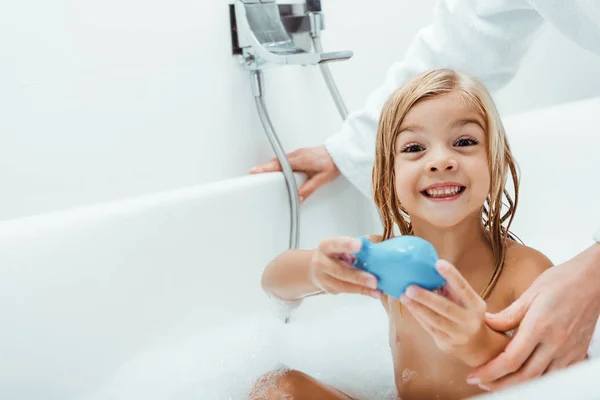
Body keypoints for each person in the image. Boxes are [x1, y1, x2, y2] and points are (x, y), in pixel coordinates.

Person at [249, 0, 600, 391]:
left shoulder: (525, 273)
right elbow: (273, 278)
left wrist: (476, 342)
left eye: (464, 141)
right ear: (387, 176)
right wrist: (317, 270)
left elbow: (568, 383)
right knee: (277, 386)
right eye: (414, 149)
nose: (440, 161)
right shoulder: (388, 260)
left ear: (496, 165)